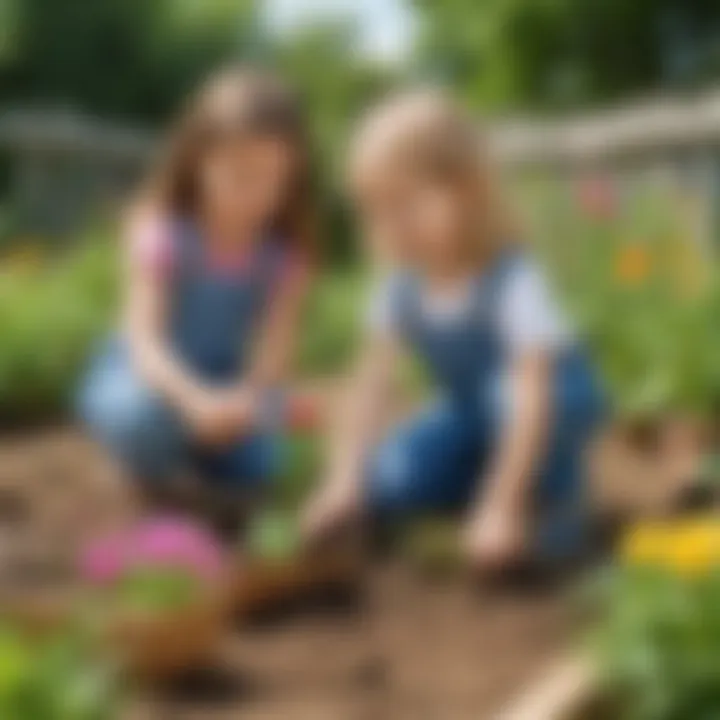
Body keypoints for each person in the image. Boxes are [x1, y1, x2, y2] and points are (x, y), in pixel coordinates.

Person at [304, 90, 605, 570]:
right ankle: (488, 485)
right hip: (474, 412)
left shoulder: (510, 278)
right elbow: (369, 385)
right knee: (393, 482)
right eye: (375, 209)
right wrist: (344, 479)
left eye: (406, 202)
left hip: (546, 403)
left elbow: (532, 392)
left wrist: (503, 505)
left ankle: (554, 497)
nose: (391, 224)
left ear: (466, 190)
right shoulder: (401, 289)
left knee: (510, 399)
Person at [79, 67, 314, 508]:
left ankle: (186, 462)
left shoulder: (282, 256)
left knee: (288, 436)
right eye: (243, 175)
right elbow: (144, 343)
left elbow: (273, 358)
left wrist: (245, 404)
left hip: (226, 389)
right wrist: (195, 402)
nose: (259, 194)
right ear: (198, 160)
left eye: (276, 179)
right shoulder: (166, 234)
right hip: (146, 381)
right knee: (139, 421)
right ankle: (148, 467)